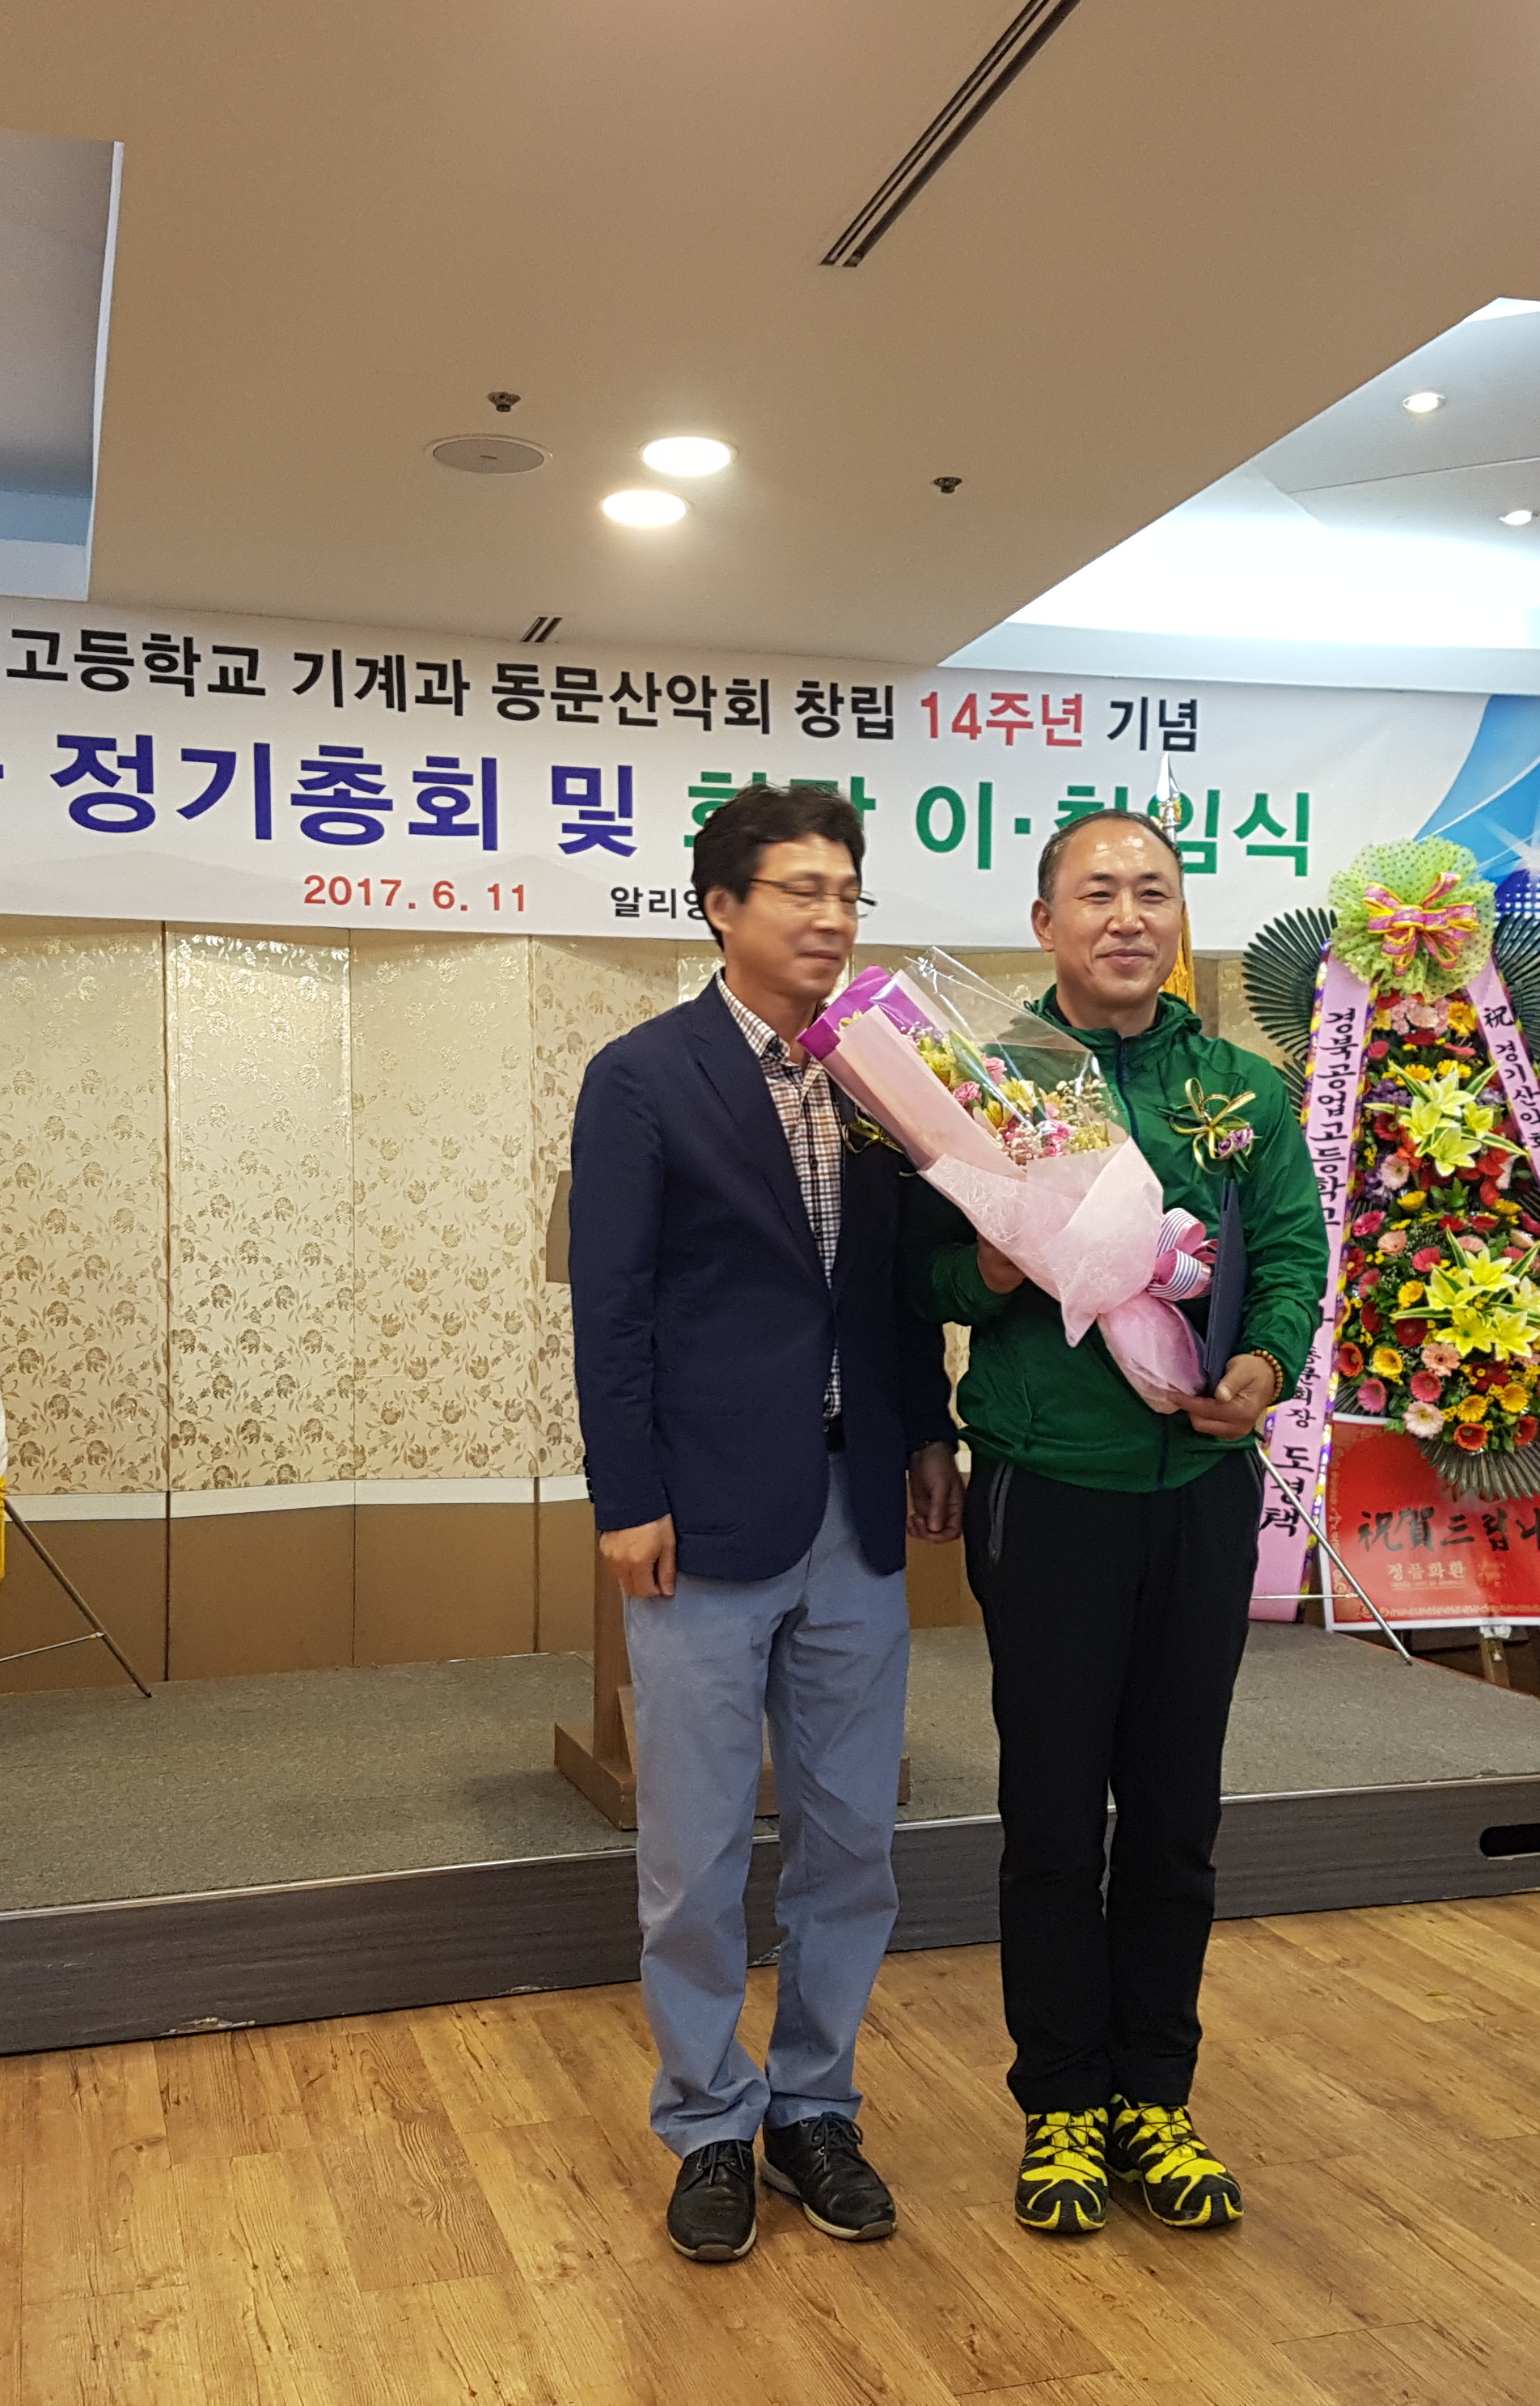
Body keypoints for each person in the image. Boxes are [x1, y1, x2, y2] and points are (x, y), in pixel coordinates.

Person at [901, 806, 1320, 2239]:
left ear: (1179, 919)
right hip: (1051, 1490)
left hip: (1199, 1489)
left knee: (1177, 1812)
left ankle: (1158, 2094)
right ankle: (1064, 2104)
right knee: (1052, 1814)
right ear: (1046, 923)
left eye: (1153, 891)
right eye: (1097, 894)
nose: (1128, 916)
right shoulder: (982, 1083)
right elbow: (921, 1280)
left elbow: (1294, 1252)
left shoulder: (1241, 1089)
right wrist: (998, 1270)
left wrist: (1263, 1365)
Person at [569, 782, 963, 2264]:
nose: (831, 917)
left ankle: (814, 2107)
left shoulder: (880, 1077)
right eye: (801, 890)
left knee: (851, 1840)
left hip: (856, 1511)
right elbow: (611, 1310)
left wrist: (926, 1431)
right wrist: (627, 1498)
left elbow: (895, 1287)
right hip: (703, 1520)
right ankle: (705, 2122)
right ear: (721, 907)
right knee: (694, 1854)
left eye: (848, 892)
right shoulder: (641, 1077)